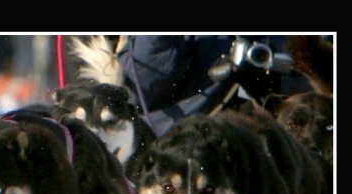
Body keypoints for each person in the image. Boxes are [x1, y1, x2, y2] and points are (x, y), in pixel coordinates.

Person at [113, 35, 320, 136]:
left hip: (275, 146)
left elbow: (319, 90)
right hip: (180, 142)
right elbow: (146, 89)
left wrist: (272, 72)